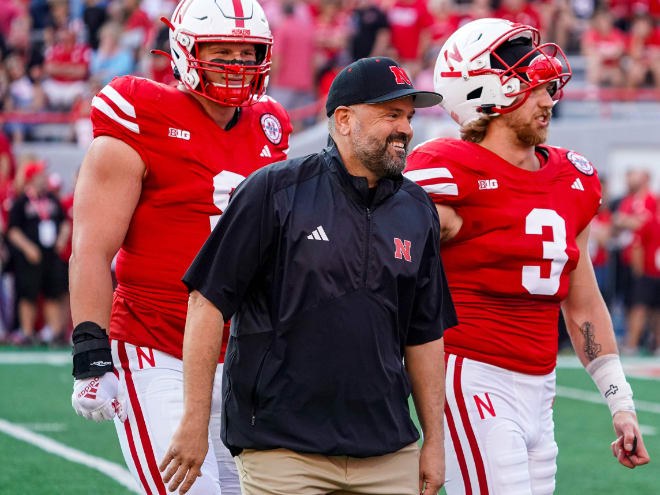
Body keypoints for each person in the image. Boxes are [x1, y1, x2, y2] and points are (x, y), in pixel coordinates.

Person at [160, 57, 456, 495]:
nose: (406, 129)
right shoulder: (272, 190)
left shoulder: (417, 209)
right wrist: (194, 421)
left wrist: (434, 440)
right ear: (344, 120)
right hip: (283, 449)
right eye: (391, 114)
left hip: (388, 450)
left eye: (409, 117)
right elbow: (207, 302)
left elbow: (424, 333)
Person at [403, 18, 650, 495]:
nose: (549, 100)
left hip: (541, 385)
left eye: (548, 86)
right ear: (483, 93)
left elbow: (582, 305)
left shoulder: (571, 177)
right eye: (533, 88)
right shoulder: (446, 169)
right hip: (472, 373)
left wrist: (620, 402)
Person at [68, 0, 292, 493]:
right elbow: (89, 247)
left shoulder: (270, 124)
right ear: (186, 49)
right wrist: (90, 352)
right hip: (157, 344)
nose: (236, 65)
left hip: (241, 356)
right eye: (222, 50)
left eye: (247, 51)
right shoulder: (140, 112)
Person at [8, 160, 70, 345]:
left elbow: (64, 222)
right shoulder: (21, 202)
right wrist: (28, 247)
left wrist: (61, 239)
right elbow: (13, 230)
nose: (44, 177)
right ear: (31, 178)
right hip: (30, 256)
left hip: (51, 255)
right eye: (40, 174)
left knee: (53, 294)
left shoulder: (51, 199)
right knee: (28, 295)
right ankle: (26, 333)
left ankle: (56, 333)